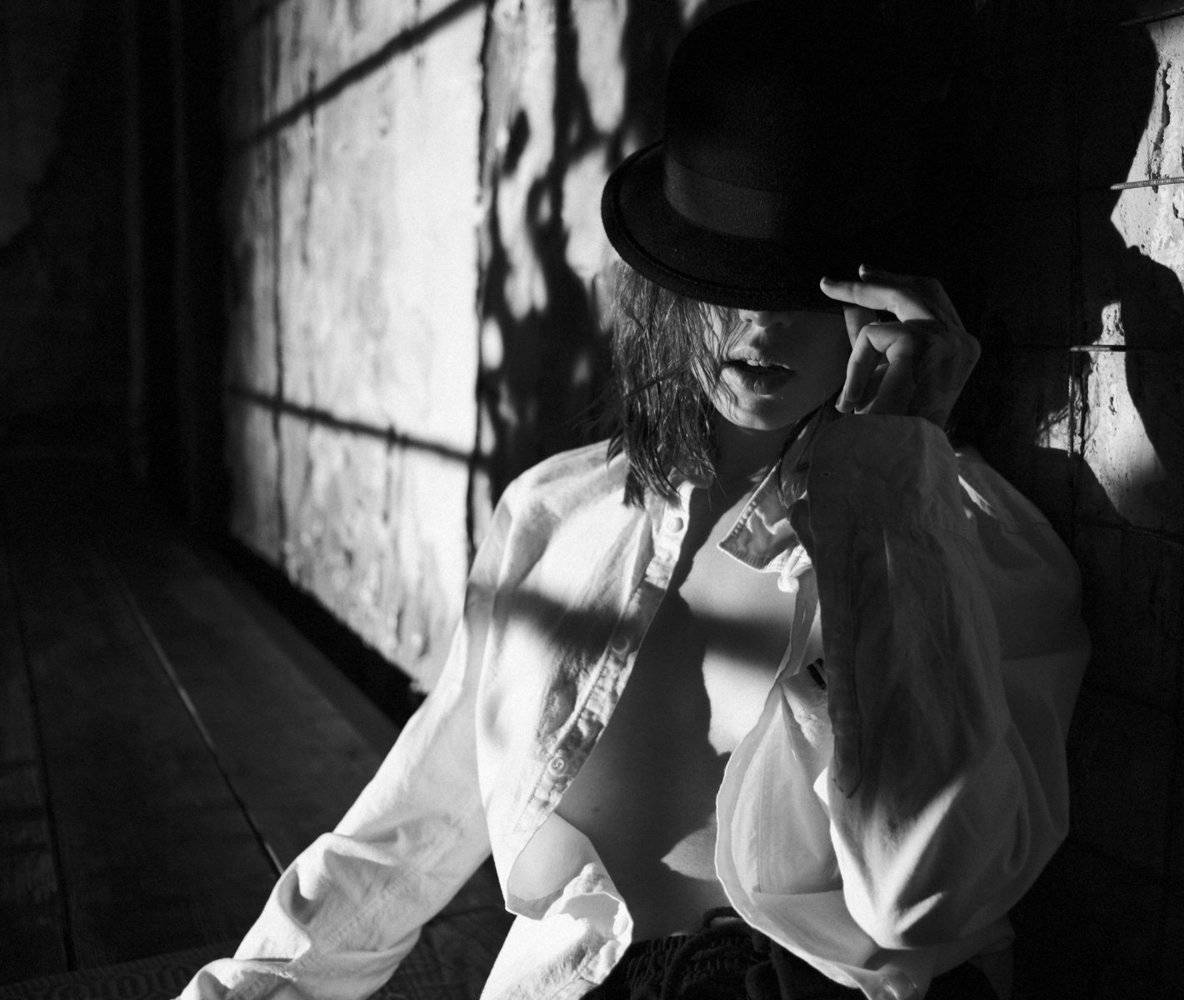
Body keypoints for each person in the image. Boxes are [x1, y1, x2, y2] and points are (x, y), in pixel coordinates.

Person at [178, 3, 1088, 999]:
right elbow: (411, 828)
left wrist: (890, 483)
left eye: (805, 285)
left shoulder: (970, 543)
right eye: (723, 275)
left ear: (892, 302)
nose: (756, 325)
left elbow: (924, 895)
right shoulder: (553, 517)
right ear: (666, 277)